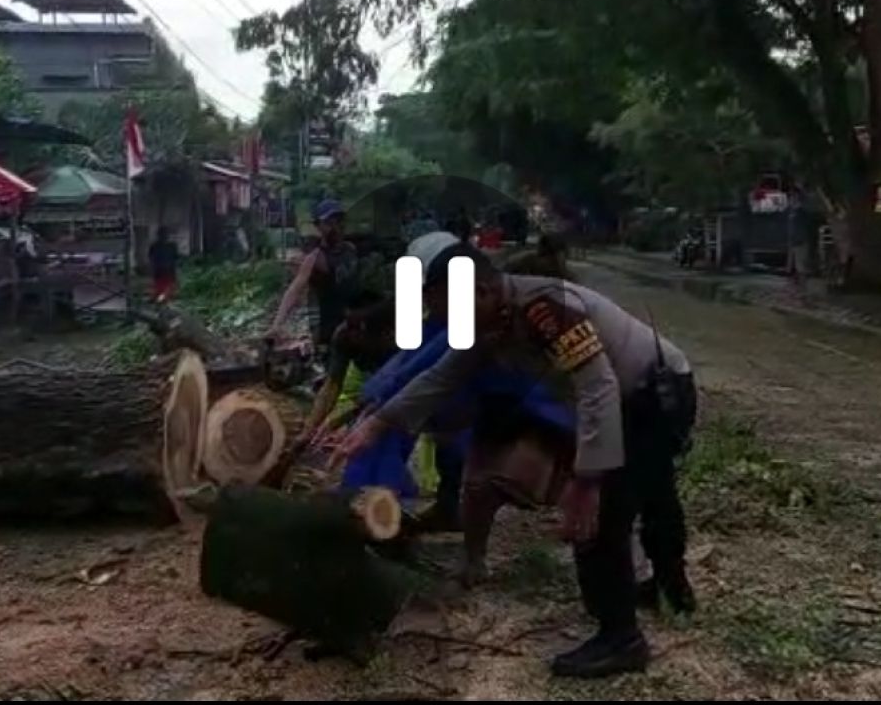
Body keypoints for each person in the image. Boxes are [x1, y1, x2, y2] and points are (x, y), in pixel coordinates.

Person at [330, 242, 698, 678]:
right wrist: (378, 424)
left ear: (482, 291)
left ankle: (621, 638)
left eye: (450, 310)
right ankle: (669, 587)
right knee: (653, 491)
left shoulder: (546, 308)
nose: (448, 323)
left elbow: (597, 387)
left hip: (652, 393)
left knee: (603, 516)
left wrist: (586, 479)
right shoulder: (488, 321)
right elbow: (441, 377)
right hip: (635, 393)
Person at [268, 199, 358, 358]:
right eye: (329, 222)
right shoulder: (316, 258)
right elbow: (295, 290)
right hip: (328, 328)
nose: (335, 226)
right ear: (319, 226)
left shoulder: (351, 251)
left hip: (355, 323)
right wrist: (277, 325)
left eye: (338, 221)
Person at [148, 226, 180, 301]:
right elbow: (152, 259)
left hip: (166, 271)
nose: (164, 236)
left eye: (165, 234)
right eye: (163, 234)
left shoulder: (171, 246)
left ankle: (161, 299)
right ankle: (161, 299)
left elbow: (175, 259)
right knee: (162, 288)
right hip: (161, 271)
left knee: (165, 288)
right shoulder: (156, 246)